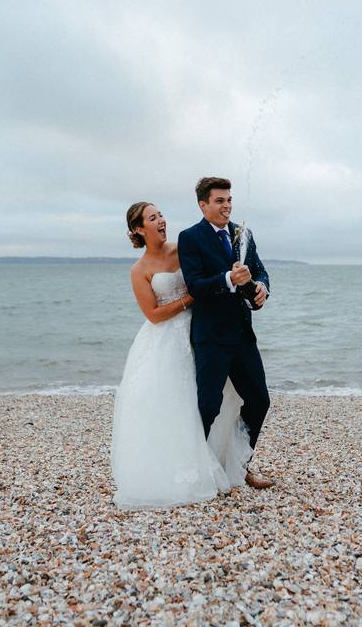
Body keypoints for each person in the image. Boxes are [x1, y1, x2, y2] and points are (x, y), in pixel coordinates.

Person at [111, 202, 253, 509]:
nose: (161, 220)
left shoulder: (182, 248)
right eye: (152, 218)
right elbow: (153, 314)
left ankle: (227, 462)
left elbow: (211, 277)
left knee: (215, 397)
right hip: (166, 339)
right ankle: (182, 468)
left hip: (203, 330)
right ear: (139, 229)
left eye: (161, 214)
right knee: (177, 403)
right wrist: (190, 298)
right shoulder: (139, 270)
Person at [178, 177, 274, 489]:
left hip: (242, 335)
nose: (227, 206)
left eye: (229, 199)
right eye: (219, 201)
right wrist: (228, 278)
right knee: (208, 406)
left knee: (259, 400)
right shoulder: (190, 238)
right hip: (210, 336)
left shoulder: (243, 233)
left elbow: (259, 270)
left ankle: (239, 464)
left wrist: (262, 288)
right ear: (203, 204)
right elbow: (195, 285)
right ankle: (194, 471)